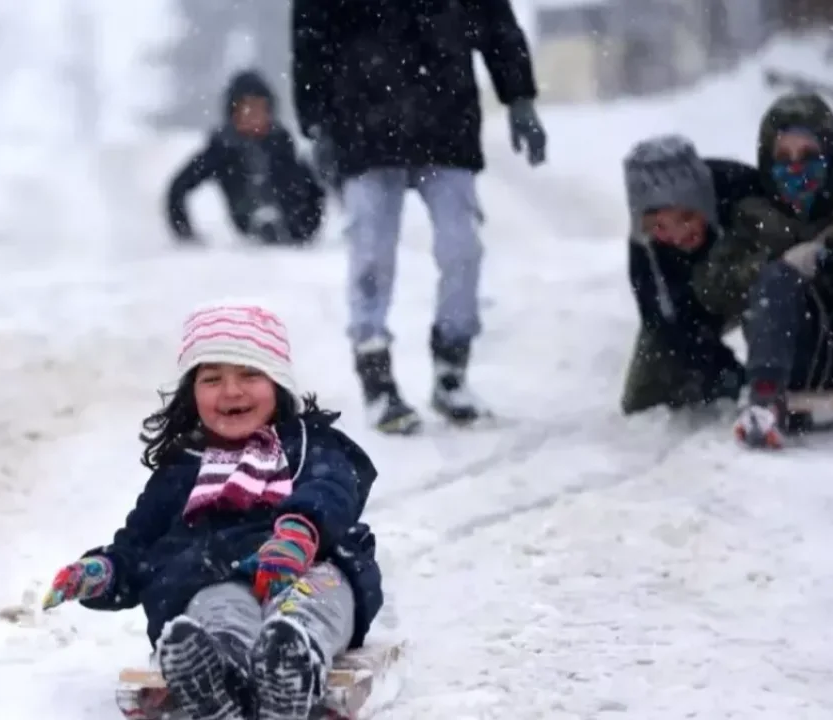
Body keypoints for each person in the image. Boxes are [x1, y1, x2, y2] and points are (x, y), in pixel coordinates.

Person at [40, 303, 383, 720]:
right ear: (192, 391)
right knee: (218, 610)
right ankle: (217, 681)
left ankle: (290, 668)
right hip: (216, 575)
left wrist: (299, 531)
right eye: (212, 379)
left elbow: (332, 487)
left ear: (279, 382)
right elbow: (139, 545)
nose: (231, 391)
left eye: (250, 374)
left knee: (310, 604)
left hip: (307, 565)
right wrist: (101, 572)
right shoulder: (184, 466)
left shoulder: (308, 442)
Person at [290, 0, 548, 434]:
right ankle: (376, 377)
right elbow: (311, 37)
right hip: (363, 125)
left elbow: (495, 23)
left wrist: (519, 97)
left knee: (462, 249)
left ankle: (452, 368)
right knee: (371, 254)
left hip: (446, 121)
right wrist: (316, 123)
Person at [688, 92, 833, 449]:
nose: (796, 169)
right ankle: (763, 405)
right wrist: (774, 268)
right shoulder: (752, 218)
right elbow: (711, 289)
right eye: (784, 159)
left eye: (809, 157)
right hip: (789, 360)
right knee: (778, 280)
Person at [620, 135, 764, 415]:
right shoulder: (645, 248)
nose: (677, 235)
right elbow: (662, 320)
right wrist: (720, 370)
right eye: (660, 226)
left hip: (754, 284)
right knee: (643, 400)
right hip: (695, 303)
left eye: (686, 218)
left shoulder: (743, 190)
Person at [165, 71, 326, 246]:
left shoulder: (282, 145)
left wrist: (308, 227)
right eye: (247, 109)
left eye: (260, 109)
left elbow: (315, 189)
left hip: (295, 232)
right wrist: (185, 235)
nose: (254, 116)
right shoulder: (222, 149)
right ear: (233, 114)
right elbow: (178, 189)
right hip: (248, 226)